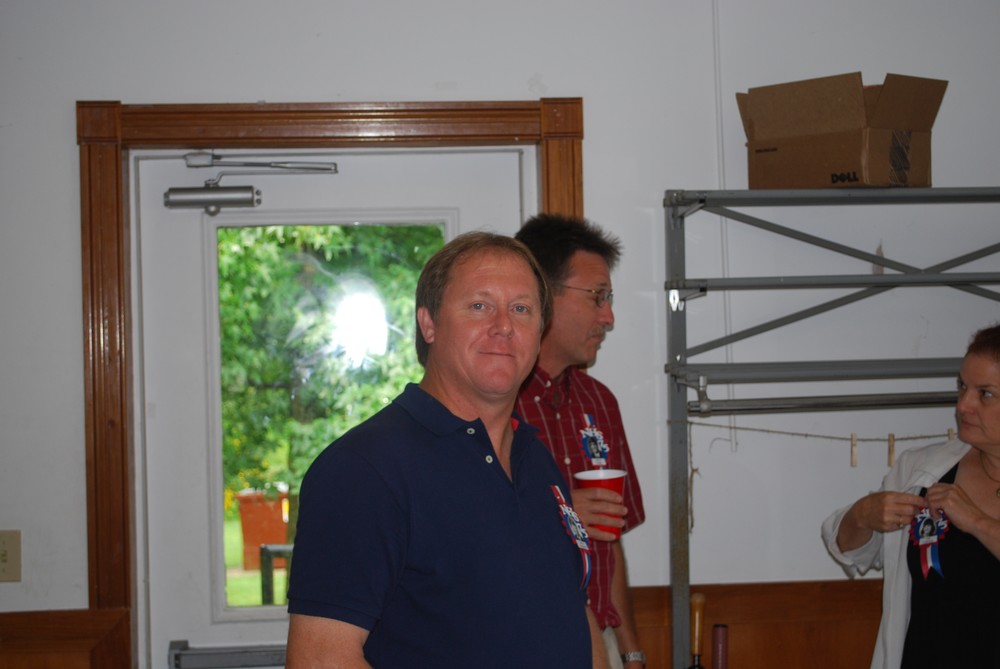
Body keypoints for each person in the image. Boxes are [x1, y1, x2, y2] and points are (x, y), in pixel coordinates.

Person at [285, 231, 609, 669]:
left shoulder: (535, 458)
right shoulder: (361, 470)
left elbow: (572, 608)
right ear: (429, 324)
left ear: (539, 333)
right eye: (479, 306)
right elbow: (320, 660)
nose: (503, 325)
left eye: (521, 309)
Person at [822, 323, 1000, 669]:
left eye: (986, 394)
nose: (964, 405)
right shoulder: (922, 469)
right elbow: (850, 549)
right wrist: (862, 515)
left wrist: (977, 522)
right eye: (962, 386)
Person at [515, 214, 647, 669]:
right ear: (543, 295)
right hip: (519, 641)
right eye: (597, 297)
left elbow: (611, 539)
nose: (608, 317)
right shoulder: (490, 405)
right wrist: (558, 510)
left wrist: (630, 651)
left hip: (602, 643)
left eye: (609, 299)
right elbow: (460, 529)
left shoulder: (599, 401)